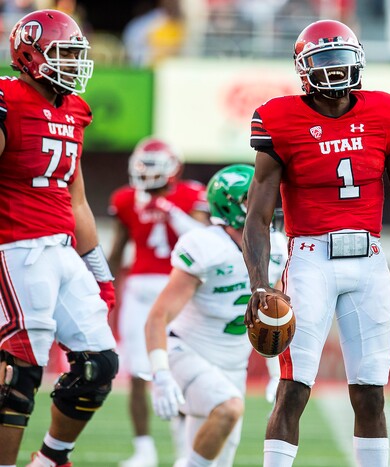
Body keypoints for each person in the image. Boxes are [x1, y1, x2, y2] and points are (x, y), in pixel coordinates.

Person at [243, 19, 390, 467]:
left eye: (342, 58)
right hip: (310, 260)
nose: (336, 69)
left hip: (369, 260)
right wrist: (260, 282)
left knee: (371, 393)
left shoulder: (384, 112)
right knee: (293, 388)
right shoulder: (279, 118)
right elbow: (258, 216)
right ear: (304, 69)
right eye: (324, 61)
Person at [0, 9, 119, 467]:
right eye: (64, 54)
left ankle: (50, 460)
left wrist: (100, 273)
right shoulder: (7, 99)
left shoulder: (74, 110)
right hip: (16, 247)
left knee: (98, 365)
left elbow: (78, 201)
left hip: (62, 250)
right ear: (29, 55)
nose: (73, 63)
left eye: (75, 54)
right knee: (18, 376)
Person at [144, 164, 286, 467]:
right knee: (228, 408)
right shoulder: (206, 245)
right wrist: (161, 373)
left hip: (233, 364)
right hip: (189, 352)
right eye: (253, 197)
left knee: (218, 461)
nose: (265, 202)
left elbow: (272, 319)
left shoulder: (276, 246)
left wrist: (277, 374)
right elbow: (158, 316)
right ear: (230, 206)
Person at [107, 137, 209, 467]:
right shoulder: (125, 199)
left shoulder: (190, 194)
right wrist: (104, 289)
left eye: (154, 167)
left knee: (180, 371)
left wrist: (169, 210)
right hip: (139, 289)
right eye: (143, 166)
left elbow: (203, 238)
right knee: (139, 373)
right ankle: (144, 451)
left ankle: (184, 451)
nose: (147, 174)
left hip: (178, 287)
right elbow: (117, 250)